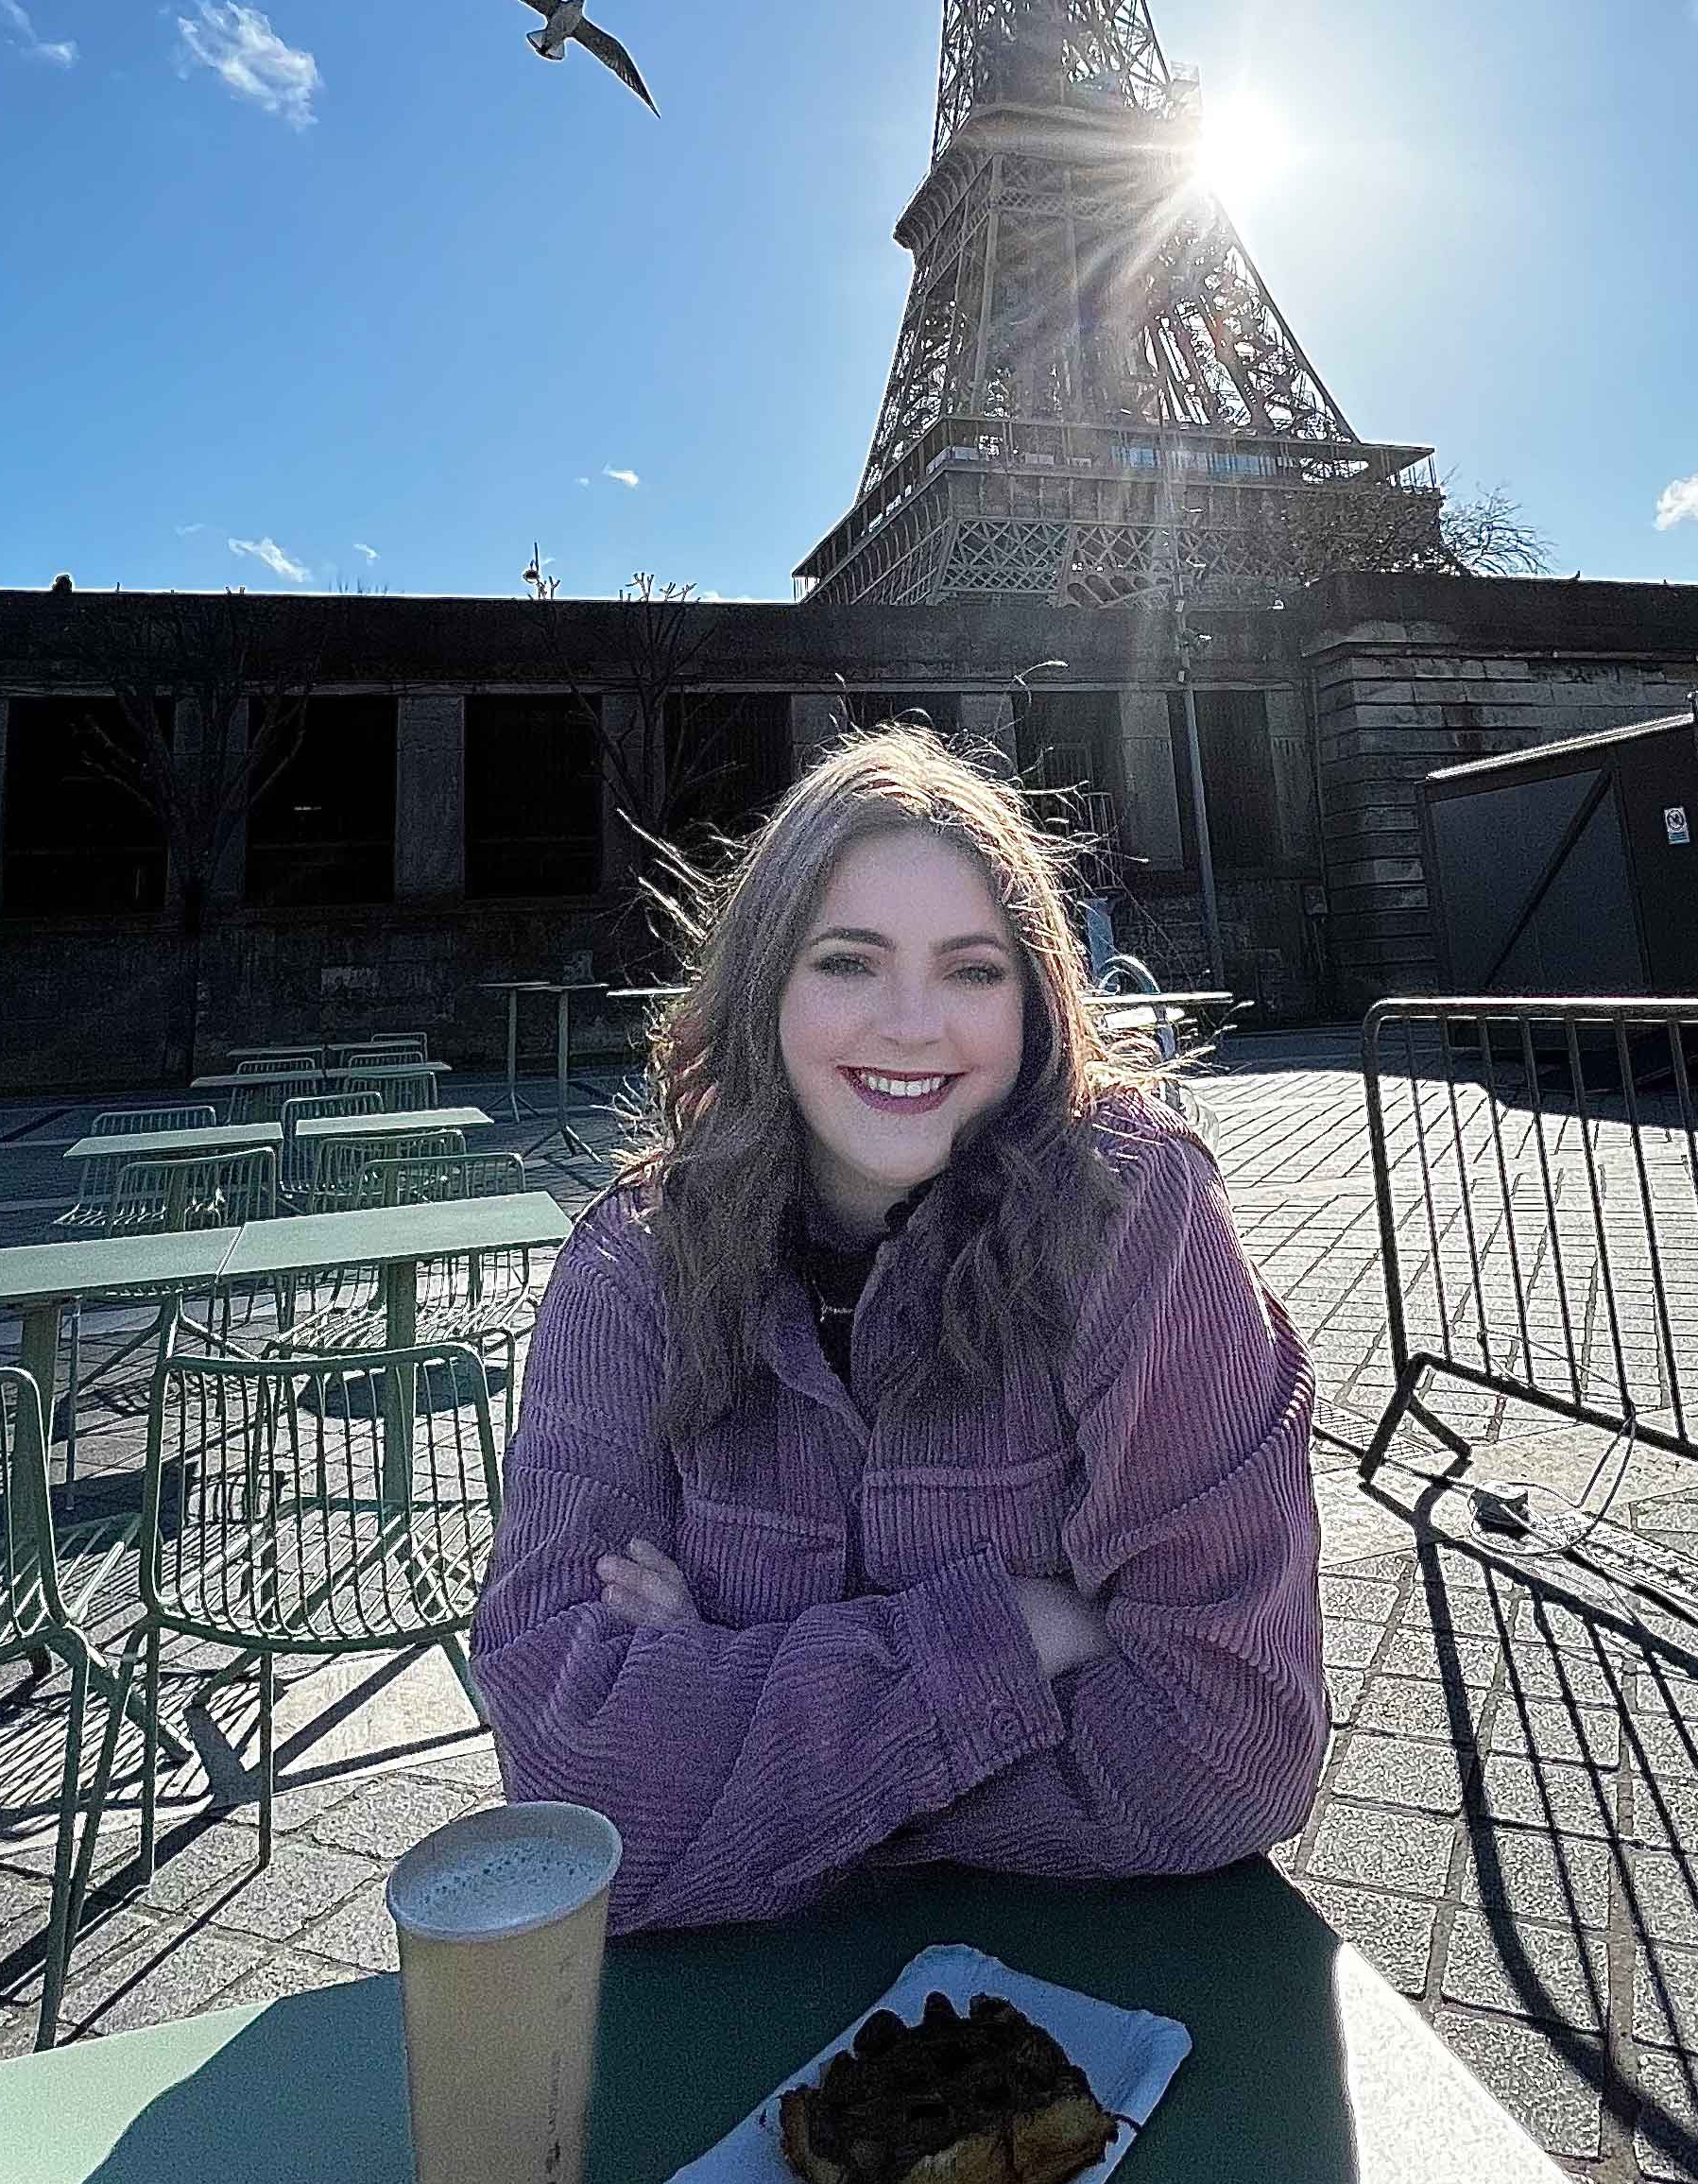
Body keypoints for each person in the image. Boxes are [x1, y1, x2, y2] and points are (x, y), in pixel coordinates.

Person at [472, 726, 1330, 1934]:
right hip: (730, 2026)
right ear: (768, 980)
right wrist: (1019, 1636)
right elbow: (569, 1787)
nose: (913, 1024)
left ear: (1036, 1004)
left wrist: (733, 1712)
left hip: (1099, 1990)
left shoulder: (1135, 1221)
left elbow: (1227, 1750)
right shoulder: (632, 1270)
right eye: (849, 962)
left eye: (973, 971)